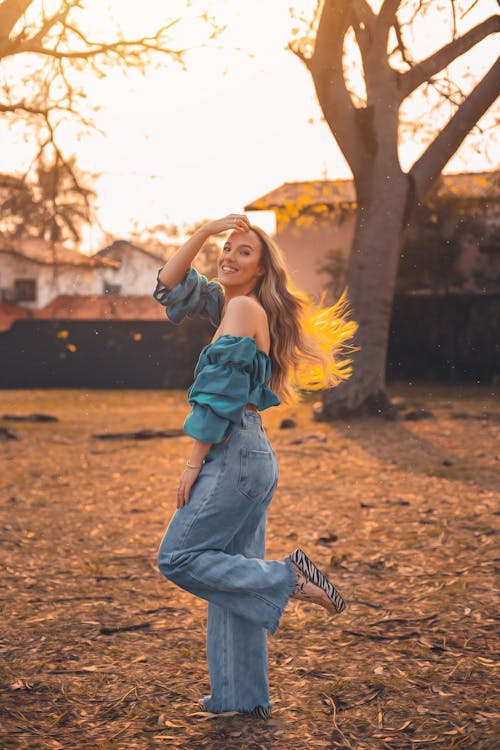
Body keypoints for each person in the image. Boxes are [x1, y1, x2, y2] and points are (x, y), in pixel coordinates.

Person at [153, 214, 357, 719]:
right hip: (251, 455)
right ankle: (239, 699)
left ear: (262, 269)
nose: (229, 256)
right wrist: (204, 232)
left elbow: (219, 394)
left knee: (178, 558)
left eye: (244, 252)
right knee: (229, 585)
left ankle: (290, 579)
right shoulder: (233, 305)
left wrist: (193, 461)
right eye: (227, 248)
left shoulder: (242, 308)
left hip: (232, 453)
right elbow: (168, 287)